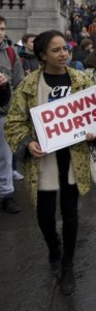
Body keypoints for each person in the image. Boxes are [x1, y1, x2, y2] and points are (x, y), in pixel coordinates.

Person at [4, 30, 96, 294]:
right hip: (43, 160)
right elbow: (14, 122)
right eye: (56, 50)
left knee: (70, 213)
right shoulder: (29, 84)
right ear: (43, 55)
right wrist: (26, 143)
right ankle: (53, 248)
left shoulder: (82, 80)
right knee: (45, 215)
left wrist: (93, 135)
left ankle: (67, 263)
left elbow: (95, 117)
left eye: (65, 48)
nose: (64, 54)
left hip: (73, 157)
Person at [0, 15, 25, 214]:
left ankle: (6, 194)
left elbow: (19, 83)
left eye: (2, 28)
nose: (0, 33)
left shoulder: (10, 52)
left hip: (3, 113)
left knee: (5, 158)